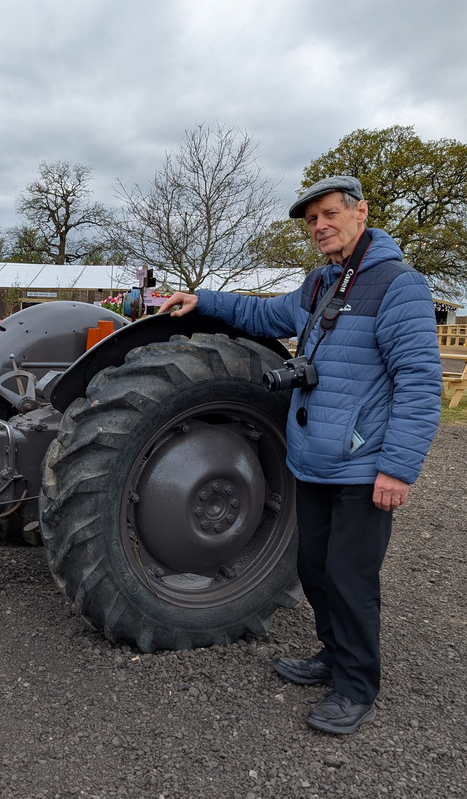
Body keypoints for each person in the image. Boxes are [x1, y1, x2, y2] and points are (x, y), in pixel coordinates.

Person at [162, 176, 443, 735]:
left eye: (330, 214)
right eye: (312, 219)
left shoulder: (398, 284)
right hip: (314, 459)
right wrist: (203, 300)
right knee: (313, 567)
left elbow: (419, 382)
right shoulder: (320, 284)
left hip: (363, 464)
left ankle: (356, 688)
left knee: (350, 577)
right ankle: (333, 657)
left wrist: (396, 468)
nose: (320, 226)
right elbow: (264, 316)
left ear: (361, 212)